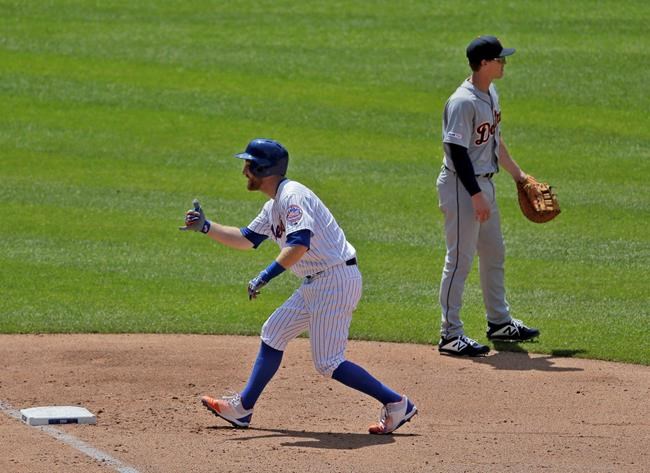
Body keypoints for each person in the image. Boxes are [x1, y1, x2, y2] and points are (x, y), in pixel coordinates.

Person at [180, 138, 417, 433]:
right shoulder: (274, 205)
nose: (244, 171)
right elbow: (246, 238)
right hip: (319, 281)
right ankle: (243, 409)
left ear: (264, 169)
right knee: (274, 332)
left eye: (249, 165)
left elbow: (299, 245)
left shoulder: (293, 197)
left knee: (328, 362)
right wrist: (206, 226)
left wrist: (265, 275)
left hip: (334, 280)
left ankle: (396, 403)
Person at [436, 36, 540, 357]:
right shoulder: (462, 102)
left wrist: (519, 175)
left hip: (484, 185)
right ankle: (450, 334)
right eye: (499, 59)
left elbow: (494, 141)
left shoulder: (490, 92)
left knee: (494, 253)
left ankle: (499, 321)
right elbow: (456, 151)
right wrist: (476, 194)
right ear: (483, 63)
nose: (504, 63)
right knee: (459, 261)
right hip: (462, 186)